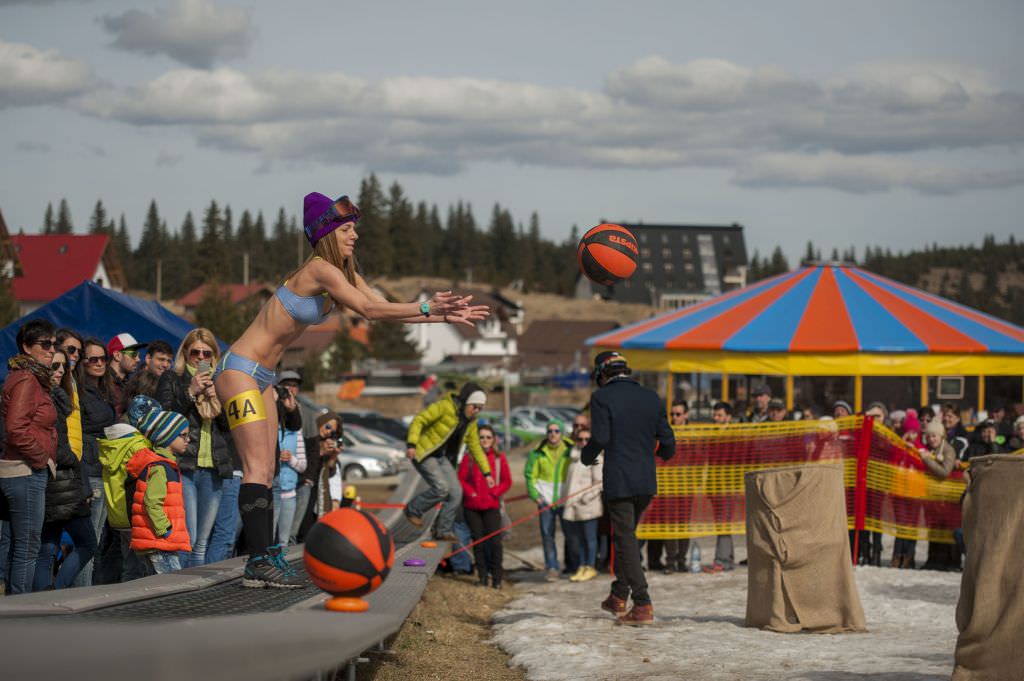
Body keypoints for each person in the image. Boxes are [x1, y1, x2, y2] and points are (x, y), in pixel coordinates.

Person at [213, 191, 487, 588]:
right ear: (325, 233)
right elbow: (371, 310)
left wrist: (438, 314)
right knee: (257, 468)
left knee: (269, 469)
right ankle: (258, 561)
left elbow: (379, 306)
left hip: (263, 375)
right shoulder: (321, 269)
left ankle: (265, 555)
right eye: (346, 228)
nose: (354, 235)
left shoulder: (343, 273)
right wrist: (427, 308)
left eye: (354, 227)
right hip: (238, 369)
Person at [581, 351, 675, 626]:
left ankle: (642, 602)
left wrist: (587, 457)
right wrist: (661, 454)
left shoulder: (601, 398)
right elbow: (668, 442)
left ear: (602, 374)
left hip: (620, 480)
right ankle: (619, 595)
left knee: (625, 539)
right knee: (627, 537)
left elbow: (600, 436)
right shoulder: (650, 397)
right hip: (645, 481)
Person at [157, 328, 235, 568]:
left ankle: (198, 595)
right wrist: (191, 391)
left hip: (213, 468)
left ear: (214, 355)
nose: (201, 358)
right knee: (187, 538)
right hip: (185, 466)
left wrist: (216, 399)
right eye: (195, 353)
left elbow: (229, 428)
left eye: (207, 353)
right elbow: (166, 418)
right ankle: (182, 592)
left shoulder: (221, 382)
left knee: (202, 541)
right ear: (186, 353)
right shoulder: (173, 378)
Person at [0, 319, 58, 594]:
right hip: (24, 472)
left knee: (19, 545)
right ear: (26, 347)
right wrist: (41, 458)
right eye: (45, 344)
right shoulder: (26, 379)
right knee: (27, 547)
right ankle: (19, 613)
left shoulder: (31, 377)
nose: (51, 350)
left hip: (24, 471)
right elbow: (15, 429)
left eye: (53, 344)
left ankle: (13, 607)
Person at [33, 349, 96, 590]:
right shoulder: (47, 398)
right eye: (55, 366)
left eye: (64, 367)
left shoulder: (59, 397)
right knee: (87, 542)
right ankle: (56, 591)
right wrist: (73, 459)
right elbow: (54, 444)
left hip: (55, 480)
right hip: (61, 481)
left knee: (47, 548)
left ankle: (41, 598)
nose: (60, 371)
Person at [406, 383, 493, 541]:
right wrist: (411, 444)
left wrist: (487, 473)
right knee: (442, 488)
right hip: (424, 452)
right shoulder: (444, 407)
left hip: (441, 457)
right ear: (466, 402)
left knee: (456, 493)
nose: (476, 411)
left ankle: (442, 530)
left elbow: (476, 448)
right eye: (475, 407)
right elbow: (419, 420)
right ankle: (413, 509)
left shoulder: (471, 423)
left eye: (480, 408)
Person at [73, 337, 118, 586]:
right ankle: (80, 593)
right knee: (89, 542)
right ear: (83, 363)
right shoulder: (79, 393)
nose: (100, 363)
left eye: (103, 358)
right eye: (93, 359)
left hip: (105, 469)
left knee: (98, 540)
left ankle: (88, 589)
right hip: (90, 470)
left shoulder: (104, 392)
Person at [127, 408, 192, 575]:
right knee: (172, 585)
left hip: (158, 540)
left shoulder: (164, 465)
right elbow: (152, 502)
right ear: (167, 437)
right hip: (159, 541)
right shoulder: (160, 467)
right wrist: (165, 530)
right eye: (183, 435)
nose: (188, 440)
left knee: (159, 586)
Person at [458, 425, 512, 588]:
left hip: (491, 506)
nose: (485, 440)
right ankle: (482, 577)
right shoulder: (469, 457)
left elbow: (507, 480)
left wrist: (495, 492)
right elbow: (460, 479)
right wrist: (471, 493)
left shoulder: (498, 458)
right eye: (482, 437)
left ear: (494, 439)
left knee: (495, 543)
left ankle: (497, 578)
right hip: (472, 507)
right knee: (478, 543)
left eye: (488, 437)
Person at [524, 418, 572, 581]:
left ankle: (572, 565)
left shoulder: (570, 449)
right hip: (545, 500)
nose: (553, 434)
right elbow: (530, 474)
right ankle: (552, 567)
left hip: (565, 499)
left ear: (561, 433)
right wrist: (535, 495)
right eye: (550, 431)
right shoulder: (537, 452)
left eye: (556, 431)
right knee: (547, 535)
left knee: (570, 534)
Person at [648, 400, 688, 573]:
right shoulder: (665, 433)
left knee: (684, 525)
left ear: (686, 415)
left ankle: (682, 561)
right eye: (672, 414)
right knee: (670, 524)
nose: (674, 417)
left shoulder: (694, 433)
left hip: (686, 487)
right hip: (668, 487)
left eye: (678, 414)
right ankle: (670, 561)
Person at [563, 427, 603, 583]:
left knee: (590, 538)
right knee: (579, 538)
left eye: (587, 439)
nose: (584, 442)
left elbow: (599, 482)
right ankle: (582, 565)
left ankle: (590, 566)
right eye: (581, 439)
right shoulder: (573, 457)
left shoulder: (596, 457)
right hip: (573, 504)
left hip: (588, 504)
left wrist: (586, 498)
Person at [918, 419, 958, 571]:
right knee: (933, 528)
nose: (931, 439)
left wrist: (927, 460)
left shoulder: (948, 450)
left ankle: (949, 561)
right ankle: (933, 559)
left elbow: (944, 472)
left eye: (934, 436)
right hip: (932, 496)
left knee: (946, 529)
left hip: (946, 497)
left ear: (941, 436)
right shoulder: (930, 450)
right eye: (928, 436)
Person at [704, 401, 736, 573]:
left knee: (724, 522)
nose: (715, 418)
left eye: (720, 415)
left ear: (728, 417)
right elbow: (711, 463)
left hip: (728, 486)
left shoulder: (734, 436)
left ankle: (722, 560)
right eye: (715, 415)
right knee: (722, 523)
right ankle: (728, 559)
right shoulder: (713, 435)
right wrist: (709, 485)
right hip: (716, 485)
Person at [106, 333, 147, 417]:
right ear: (117, 355)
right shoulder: (101, 381)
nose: (138, 359)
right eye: (133, 355)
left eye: (138, 355)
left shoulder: (129, 386)